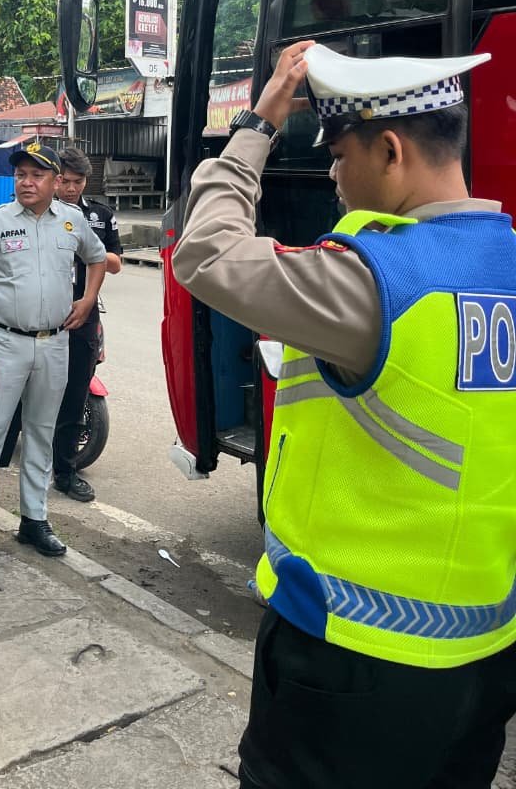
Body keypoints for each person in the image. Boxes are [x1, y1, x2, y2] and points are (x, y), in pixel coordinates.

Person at [172, 40, 516, 789]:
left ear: (390, 150)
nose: (331, 176)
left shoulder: (370, 278)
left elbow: (203, 252)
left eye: (337, 155)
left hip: (350, 659)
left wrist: (259, 124)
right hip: (485, 657)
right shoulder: (509, 264)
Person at [0, 141, 106, 569]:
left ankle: (34, 520)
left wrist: (87, 300)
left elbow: (97, 259)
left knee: (41, 432)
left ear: (55, 182)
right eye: (20, 174)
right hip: (4, 342)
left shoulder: (72, 221)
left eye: (36, 175)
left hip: (55, 342)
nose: (26, 182)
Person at [51, 146, 122, 502]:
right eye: (64, 180)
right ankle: (1, 464)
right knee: (24, 393)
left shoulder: (99, 215)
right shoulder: (36, 214)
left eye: (77, 182)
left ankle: (64, 471)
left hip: (82, 314)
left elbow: (115, 262)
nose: (69, 189)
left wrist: (87, 246)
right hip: (39, 316)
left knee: (76, 392)